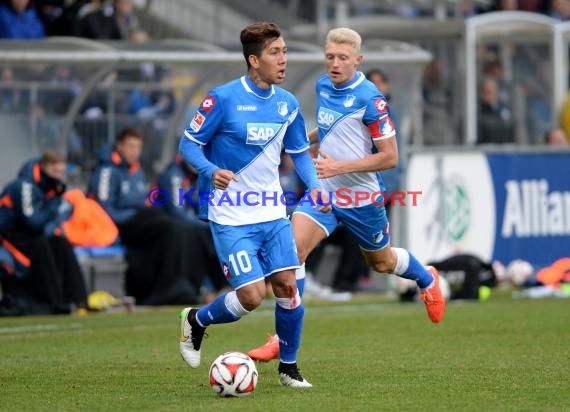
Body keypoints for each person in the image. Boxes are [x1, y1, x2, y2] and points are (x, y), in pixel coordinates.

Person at [248, 27, 446, 362]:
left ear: (358, 59)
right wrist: (295, 141)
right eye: (329, 57)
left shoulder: (371, 99)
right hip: (324, 191)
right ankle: (283, 338)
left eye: (342, 58)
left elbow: (390, 157)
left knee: (380, 262)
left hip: (361, 197)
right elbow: (328, 128)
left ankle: (426, 277)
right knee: (292, 252)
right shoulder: (324, 85)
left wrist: (339, 167)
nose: (335, 64)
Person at [178, 21, 330, 388]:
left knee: (287, 286)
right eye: (275, 53)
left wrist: (317, 188)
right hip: (231, 215)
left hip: (273, 213)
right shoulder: (222, 98)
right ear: (254, 60)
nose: (284, 60)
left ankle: (288, 369)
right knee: (250, 296)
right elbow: (188, 145)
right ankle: (197, 321)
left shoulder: (287, 103)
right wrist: (210, 169)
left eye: (285, 51)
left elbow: (299, 154)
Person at [88, 126, 217, 305]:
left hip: (142, 219)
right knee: (172, 226)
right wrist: (134, 215)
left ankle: (189, 286)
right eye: (130, 146)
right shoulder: (107, 171)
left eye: (138, 147)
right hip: (121, 225)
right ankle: (168, 288)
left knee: (182, 229)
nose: (134, 152)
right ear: (119, 145)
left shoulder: (137, 171)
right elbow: (102, 210)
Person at [0, 150, 88, 315]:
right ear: (43, 168)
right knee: (41, 243)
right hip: (9, 235)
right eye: (54, 171)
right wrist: (55, 202)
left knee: (59, 241)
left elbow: (56, 218)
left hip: (30, 233)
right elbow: (33, 222)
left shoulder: (50, 189)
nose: (58, 176)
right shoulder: (24, 186)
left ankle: (77, 299)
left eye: (61, 172)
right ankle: (51, 301)